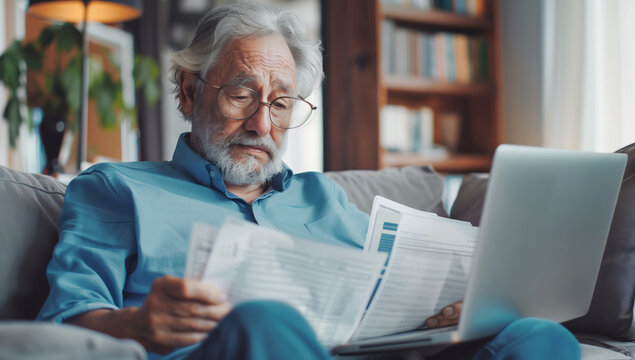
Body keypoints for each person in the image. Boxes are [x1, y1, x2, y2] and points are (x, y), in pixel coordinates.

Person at [37, 2, 581, 360]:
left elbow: (389, 308)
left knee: (538, 338)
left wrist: (452, 310)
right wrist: (136, 325)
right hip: (240, 346)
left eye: (280, 102)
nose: (262, 124)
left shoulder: (327, 200)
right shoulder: (116, 189)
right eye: (241, 94)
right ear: (188, 92)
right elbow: (62, 322)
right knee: (265, 323)